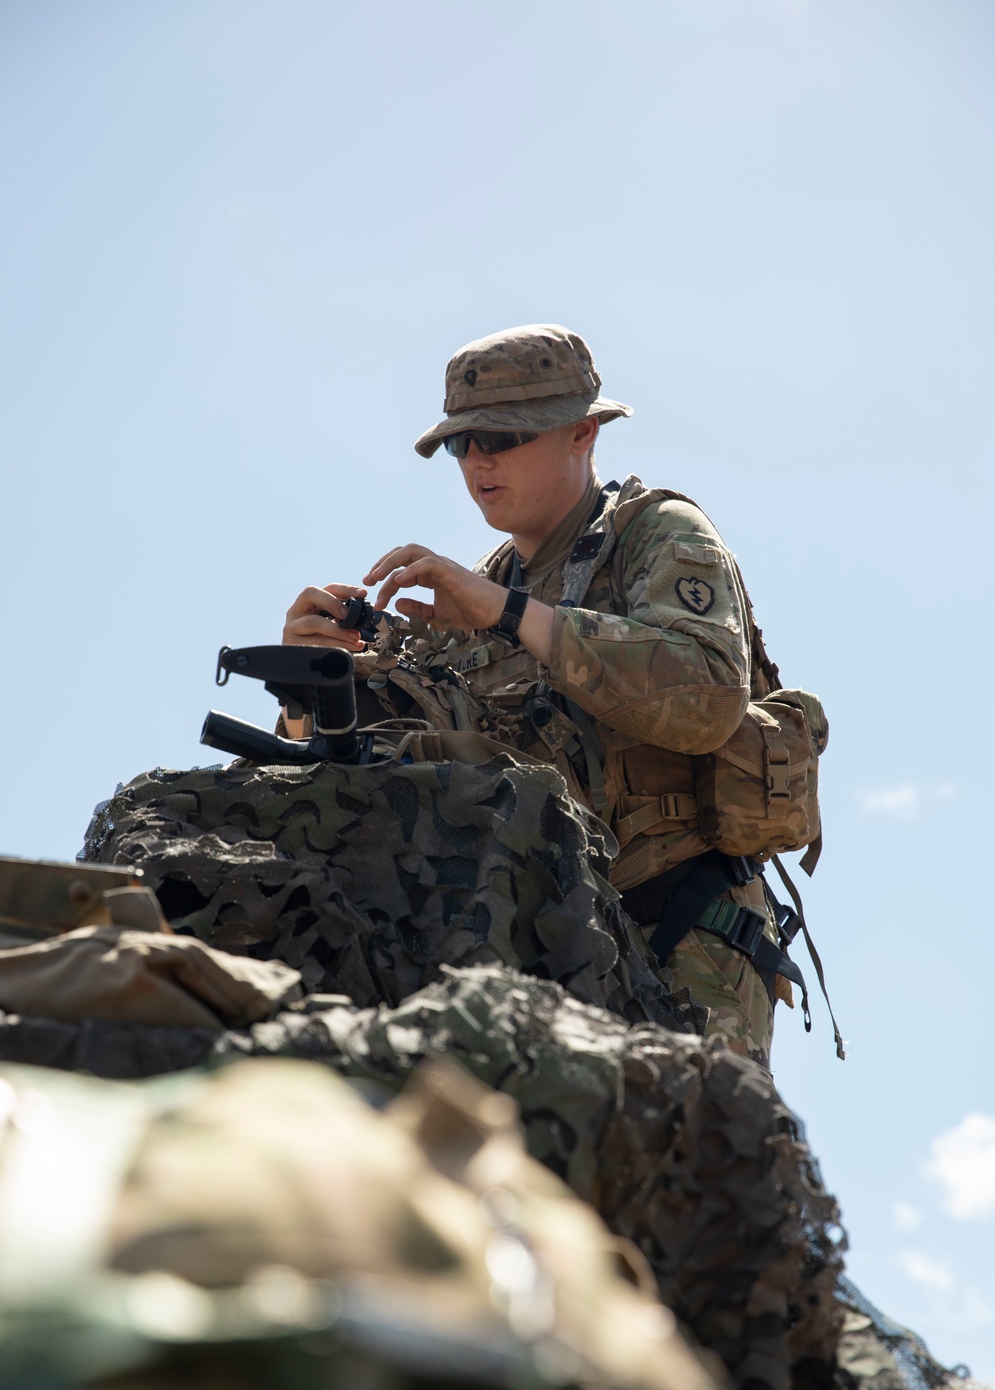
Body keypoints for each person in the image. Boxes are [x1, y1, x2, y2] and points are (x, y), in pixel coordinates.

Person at [282, 324, 808, 1070]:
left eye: (503, 435)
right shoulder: (483, 591)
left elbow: (707, 696)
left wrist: (507, 614)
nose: (479, 460)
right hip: (538, 939)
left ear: (582, 434)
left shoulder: (654, 534)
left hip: (679, 929)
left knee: (680, 1158)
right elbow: (381, 770)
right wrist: (310, 682)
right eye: (461, 444)